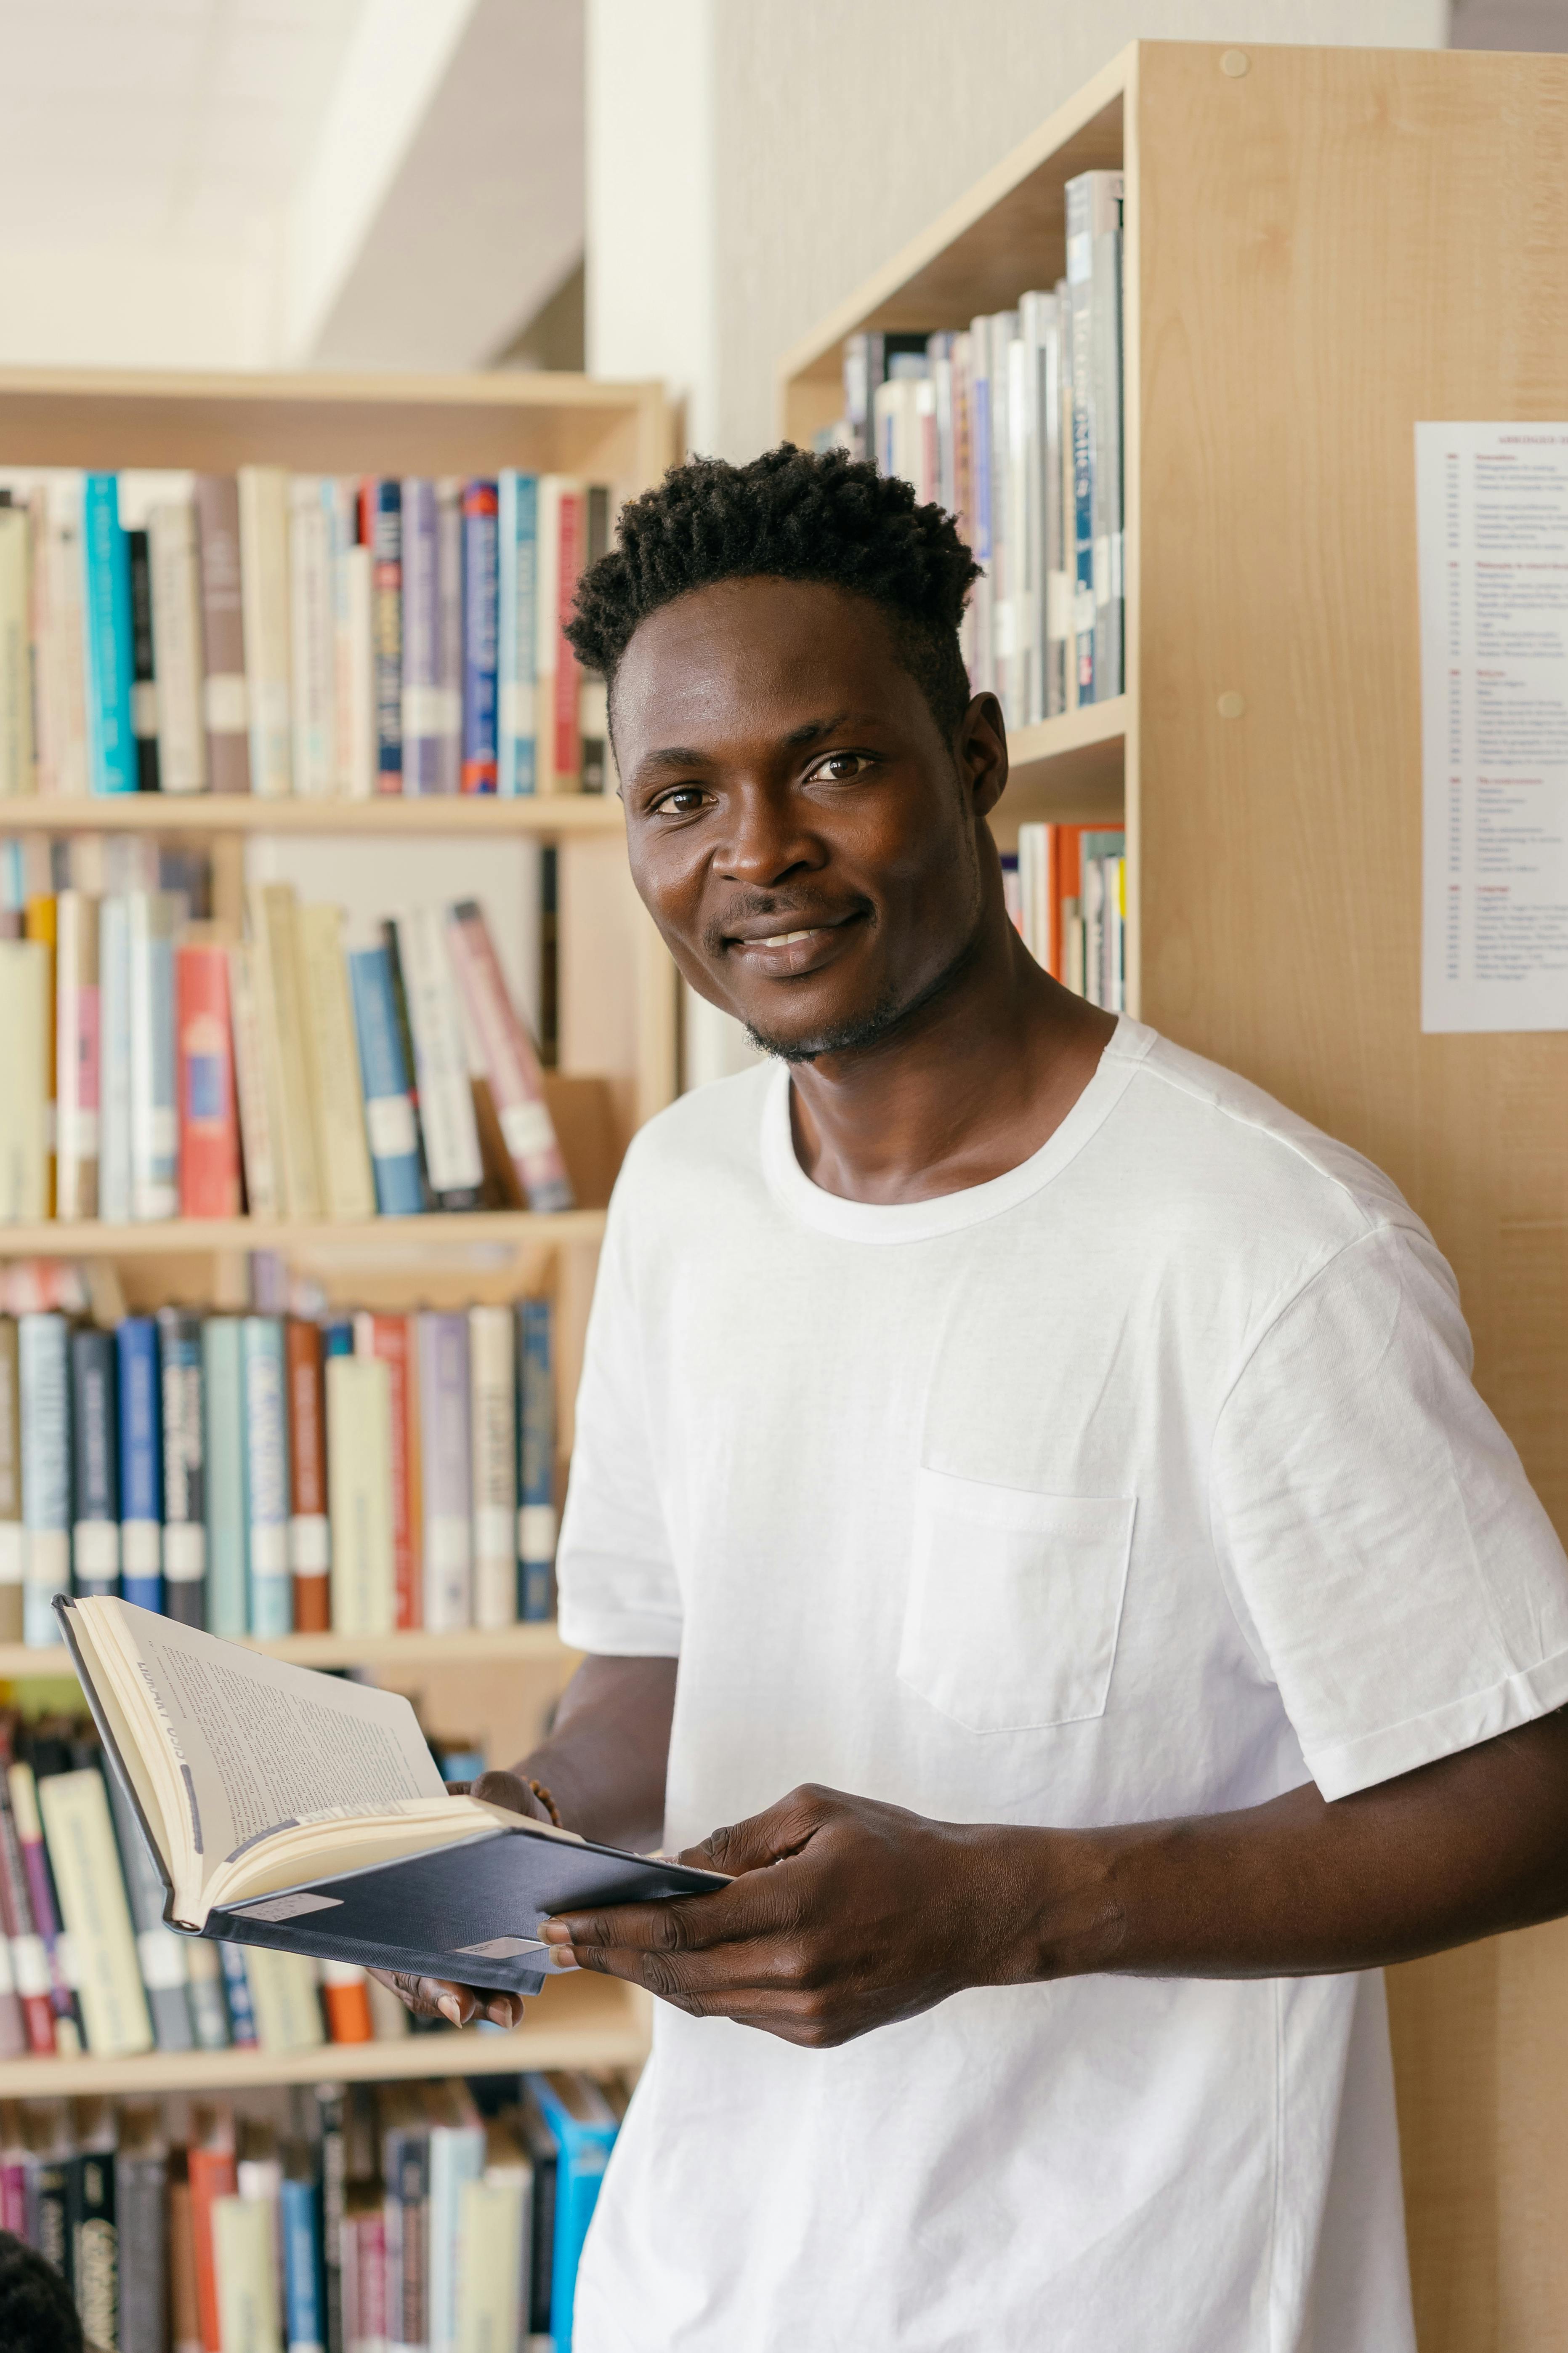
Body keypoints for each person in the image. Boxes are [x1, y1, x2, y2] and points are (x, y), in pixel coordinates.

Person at [381, 447, 1568, 2351]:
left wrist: (1012, 1908)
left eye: (830, 763)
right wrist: (519, 1835)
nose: (752, 850)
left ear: (976, 756)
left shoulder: (1255, 1243)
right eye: (680, 795)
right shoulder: (686, 1194)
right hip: (706, 2282)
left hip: (1127, 2299)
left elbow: (1528, 1793)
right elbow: (648, 1675)